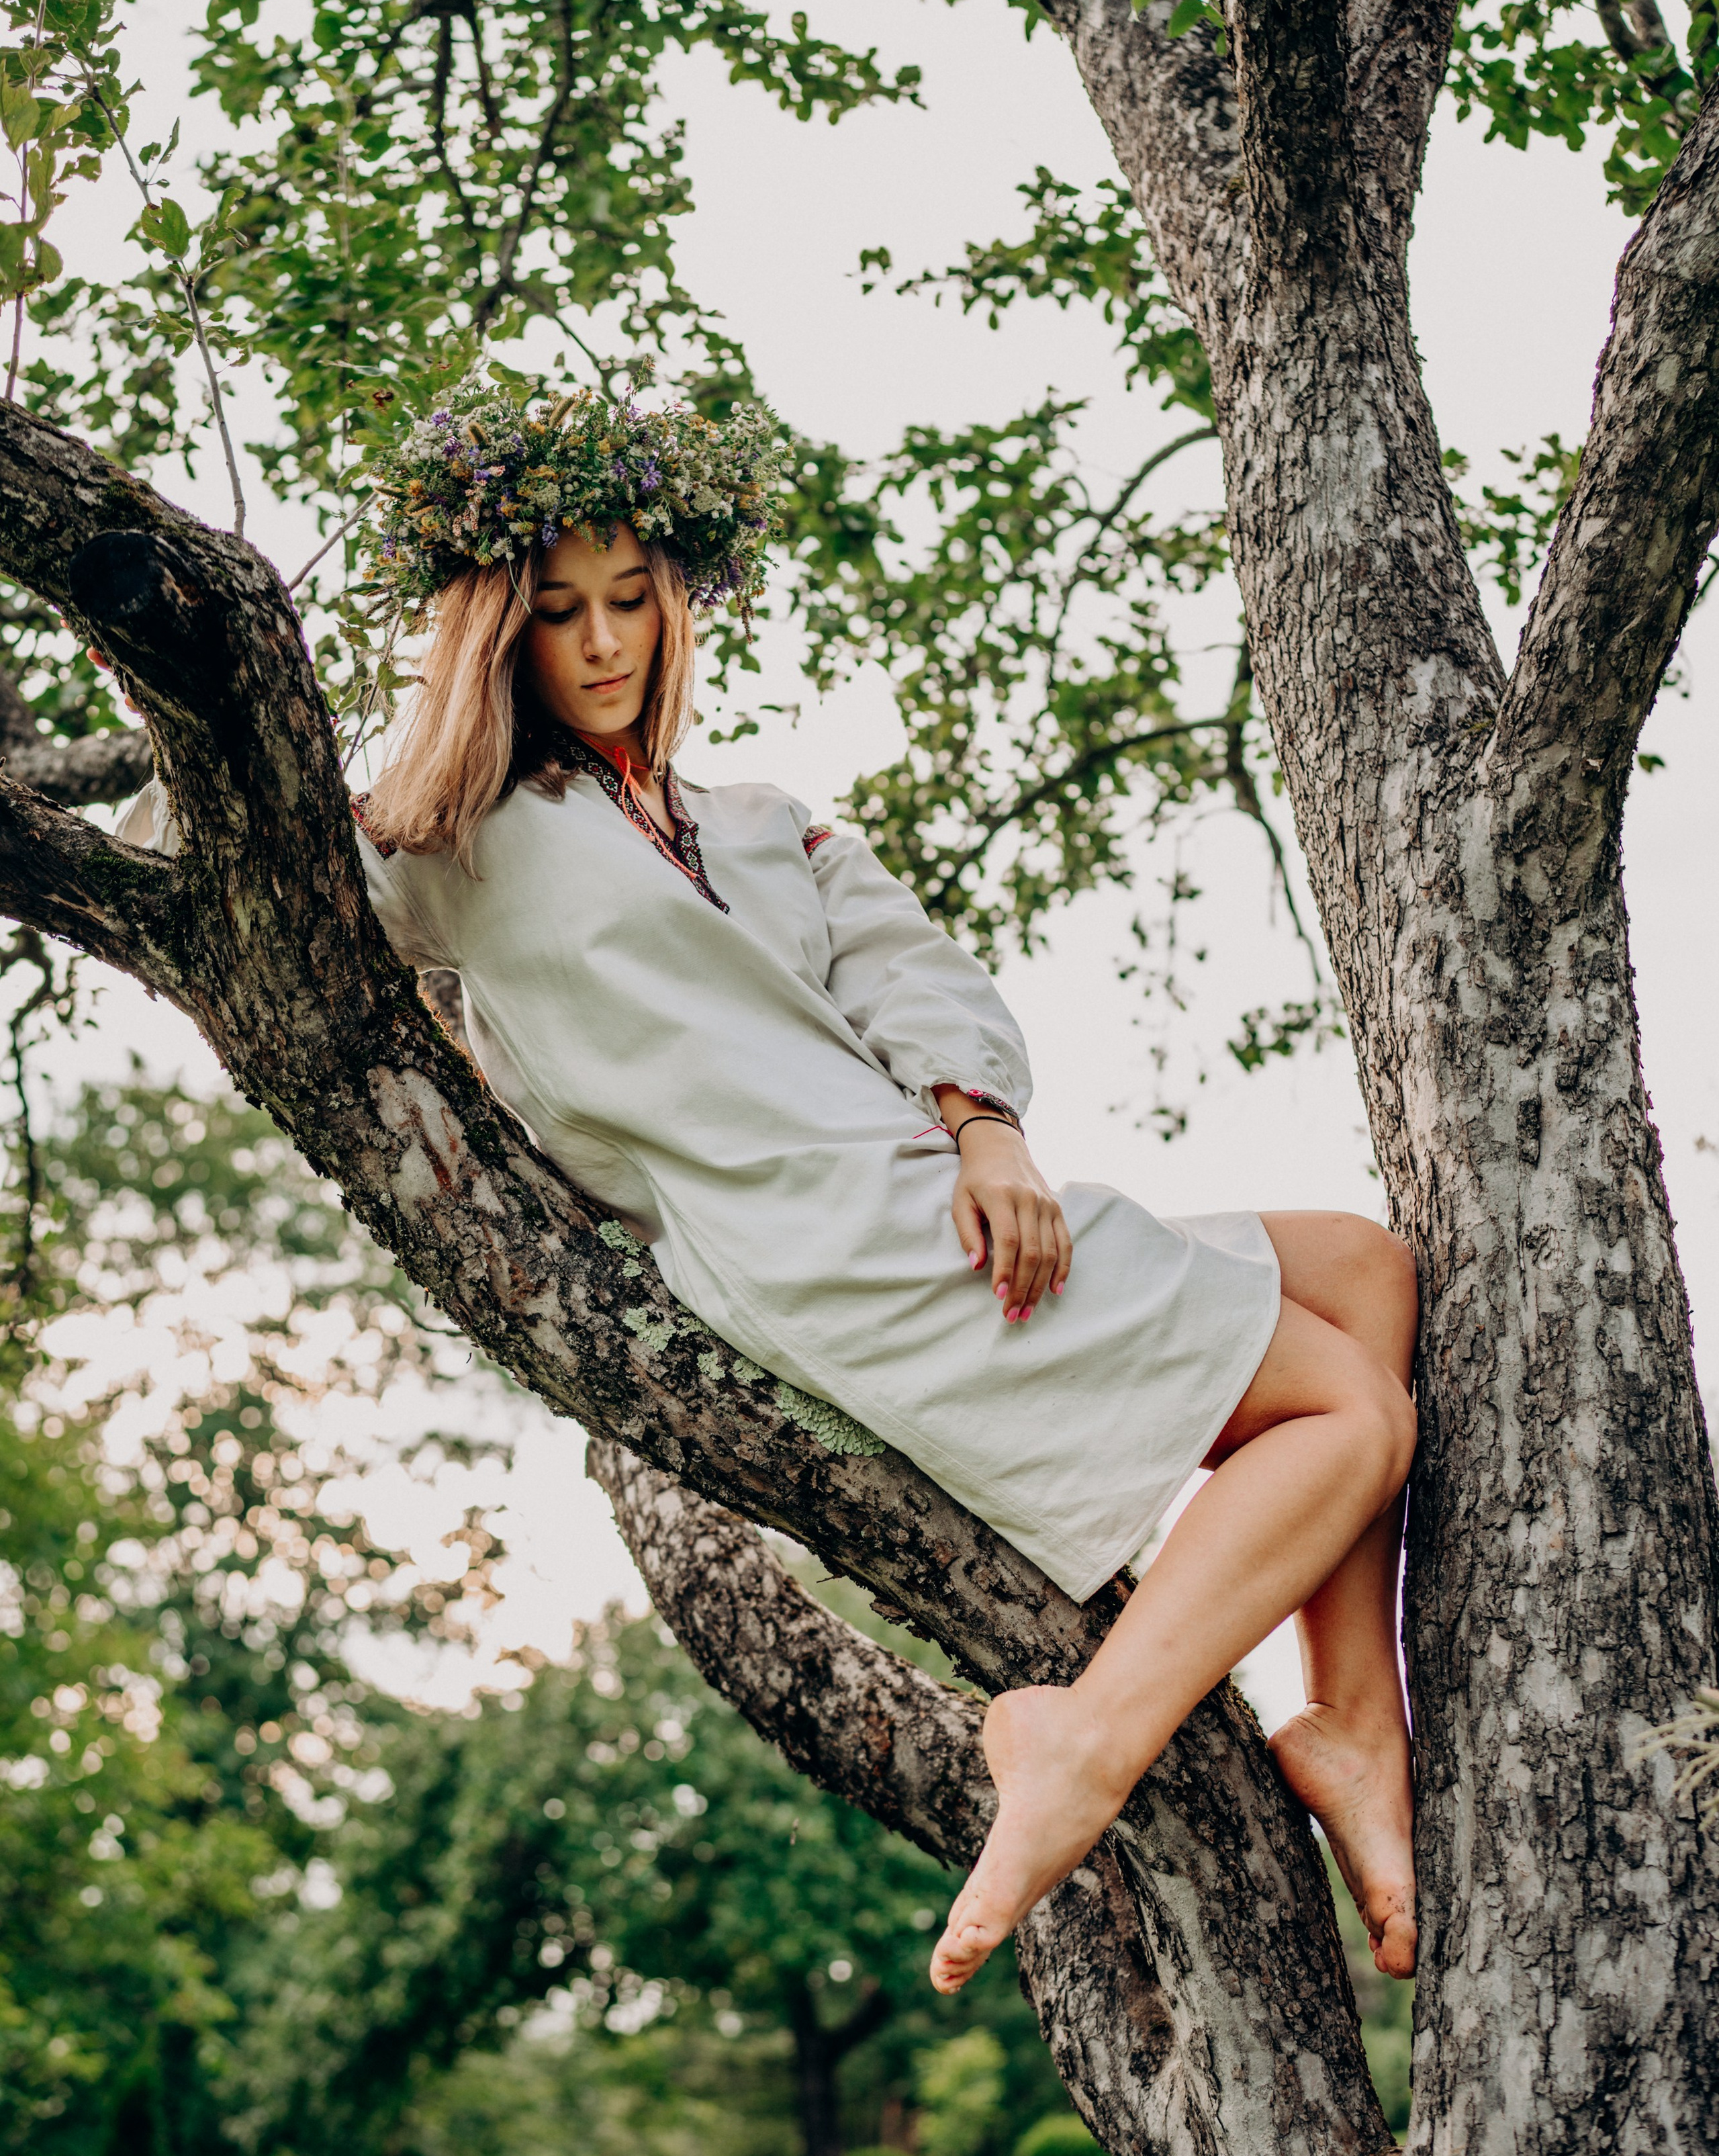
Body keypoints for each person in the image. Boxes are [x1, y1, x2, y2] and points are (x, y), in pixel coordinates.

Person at [124, 376, 1419, 1991]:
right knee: (1346, 1420)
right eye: (557, 614)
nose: (603, 643)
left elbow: (912, 973)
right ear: (496, 635)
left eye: (631, 600)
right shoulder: (455, 834)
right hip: (813, 1251)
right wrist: (188, 674)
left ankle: (1350, 1720)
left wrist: (986, 1129)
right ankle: (1080, 1738)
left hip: (920, 1195)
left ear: (675, 605)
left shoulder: (759, 823)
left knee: (1366, 1267)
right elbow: (198, 849)